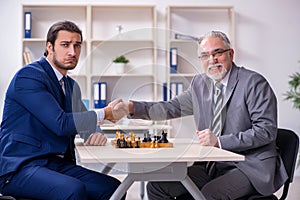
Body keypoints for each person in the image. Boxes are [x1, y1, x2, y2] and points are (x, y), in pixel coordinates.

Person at [125, 31, 288, 199]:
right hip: (213, 166)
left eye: (217, 52)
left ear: (230, 54)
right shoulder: (199, 84)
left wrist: (219, 141)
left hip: (248, 166)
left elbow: (265, 131)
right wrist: (130, 108)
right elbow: (169, 107)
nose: (212, 59)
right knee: (157, 186)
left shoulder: (254, 83)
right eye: (205, 55)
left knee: (209, 194)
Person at [0, 21, 128, 200]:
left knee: (113, 189)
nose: (72, 52)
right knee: (73, 190)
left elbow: (84, 124)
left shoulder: (71, 85)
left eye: (77, 46)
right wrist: (105, 113)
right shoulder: (28, 76)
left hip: (56, 164)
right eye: (65, 45)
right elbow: (61, 123)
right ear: (49, 47)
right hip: (21, 167)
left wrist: (95, 133)